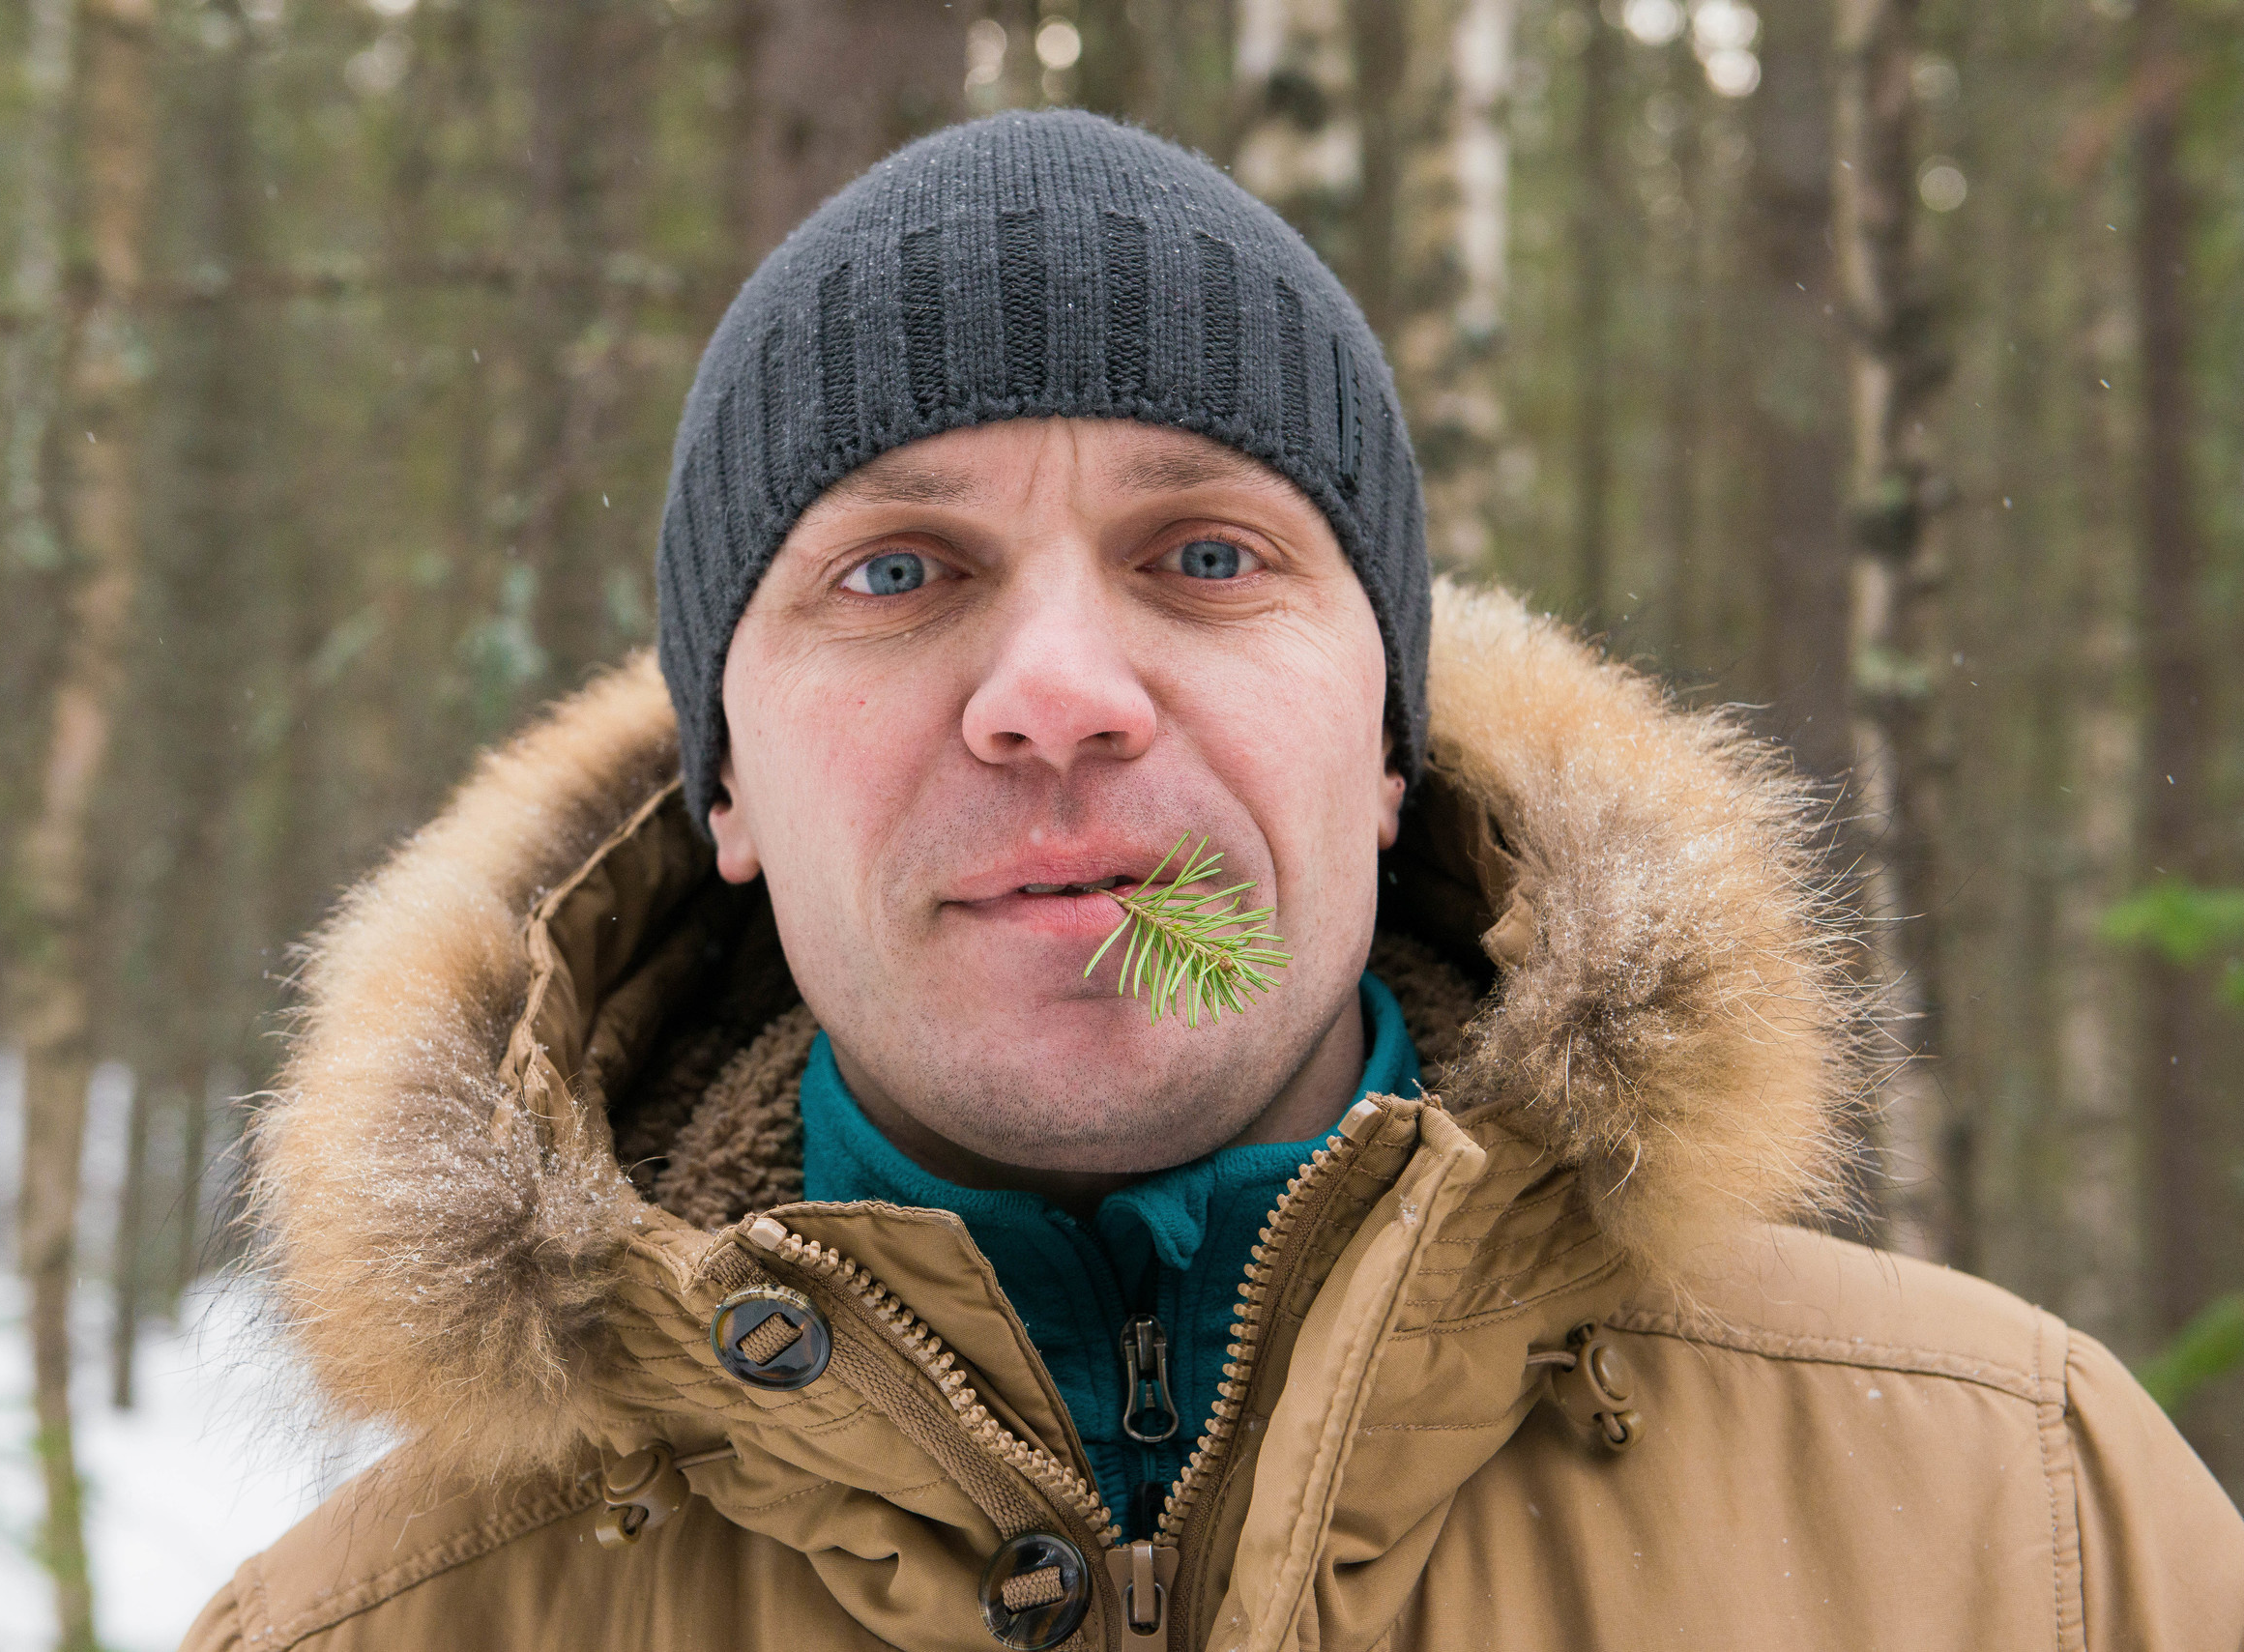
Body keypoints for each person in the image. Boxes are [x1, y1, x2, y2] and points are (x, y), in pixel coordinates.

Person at [183, 111, 2241, 1652]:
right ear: (724, 788)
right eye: (897, 573)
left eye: (1206, 556)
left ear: (1381, 741)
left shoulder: (2022, 1534)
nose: (1059, 697)